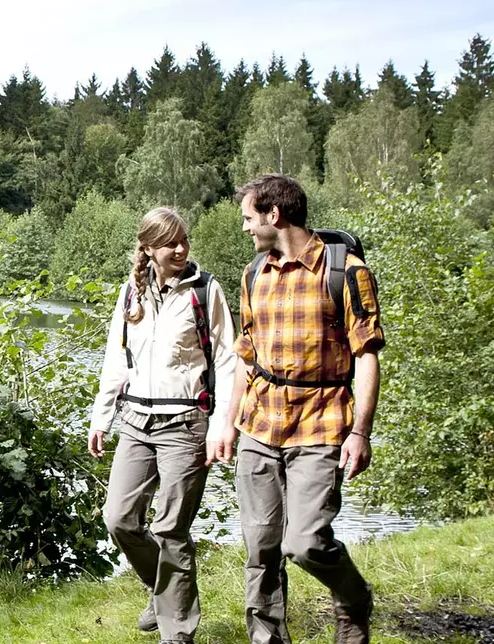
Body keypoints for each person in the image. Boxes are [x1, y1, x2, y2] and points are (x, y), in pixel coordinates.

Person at [210, 175, 384, 644]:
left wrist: (361, 433)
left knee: (304, 543)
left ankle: (353, 598)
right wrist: (226, 425)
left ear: (274, 215)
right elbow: (247, 360)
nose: (245, 228)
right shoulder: (253, 275)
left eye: (249, 218)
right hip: (259, 426)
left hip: (322, 423)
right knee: (260, 548)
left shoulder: (345, 272)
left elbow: (367, 355)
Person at [89, 207, 239, 644]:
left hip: (187, 423)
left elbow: (228, 361)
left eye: (184, 240)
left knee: (171, 527)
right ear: (149, 249)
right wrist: (102, 416)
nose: (180, 249)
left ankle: (177, 632)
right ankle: (164, 589)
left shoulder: (205, 291)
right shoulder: (130, 293)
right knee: (119, 518)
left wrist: (220, 425)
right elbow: (116, 359)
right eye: (169, 243)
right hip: (135, 422)